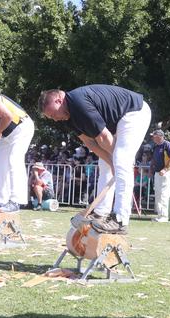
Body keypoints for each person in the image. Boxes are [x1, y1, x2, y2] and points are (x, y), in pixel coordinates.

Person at [38, 85, 151, 234]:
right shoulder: (68, 116)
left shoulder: (79, 103)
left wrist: (117, 163)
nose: (55, 119)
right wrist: (111, 162)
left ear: (59, 100)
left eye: (53, 114)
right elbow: (90, 142)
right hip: (118, 121)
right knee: (105, 164)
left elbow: (104, 137)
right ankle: (101, 212)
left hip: (134, 112)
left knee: (122, 159)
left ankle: (120, 220)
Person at [150, 129, 170, 222]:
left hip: (166, 172)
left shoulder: (167, 144)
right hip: (157, 172)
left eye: (154, 136)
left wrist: (165, 169)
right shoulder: (156, 146)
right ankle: (160, 215)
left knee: (164, 194)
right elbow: (153, 158)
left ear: (160, 136)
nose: (153, 137)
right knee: (158, 193)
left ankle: (164, 216)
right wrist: (151, 169)